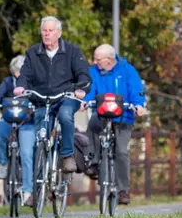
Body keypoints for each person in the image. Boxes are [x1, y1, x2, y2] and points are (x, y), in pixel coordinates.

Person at [13, 16, 91, 174]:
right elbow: (25, 74)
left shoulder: (72, 51)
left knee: (65, 115)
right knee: (40, 133)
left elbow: (84, 74)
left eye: (50, 30)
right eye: (44, 31)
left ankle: (67, 155)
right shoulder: (32, 52)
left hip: (66, 97)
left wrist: (81, 89)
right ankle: (42, 177)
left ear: (59, 33)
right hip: (42, 99)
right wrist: (21, 86)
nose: (47, 34)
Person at [83, 44, 146, 205]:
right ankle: (94, 161)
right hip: (102, 112)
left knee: (121, 151)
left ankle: (123, 190)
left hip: (124, 116)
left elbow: (136, 89)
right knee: (93, 126)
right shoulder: (94, 71)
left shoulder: (127, 70)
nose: (95, 62)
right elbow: (90, 90)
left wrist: (138, 105)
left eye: (98, 60)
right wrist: (84, 102)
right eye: (95, 59)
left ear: (109, 60)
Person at [0, 55, 37, 205]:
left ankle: (28, 191)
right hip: (9, 119)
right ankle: (3, 162)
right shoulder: (9, 82)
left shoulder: (35, 82)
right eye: (16, 72)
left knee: (27, 153)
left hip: (28, 122)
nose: (18, 75)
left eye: (21, 73)